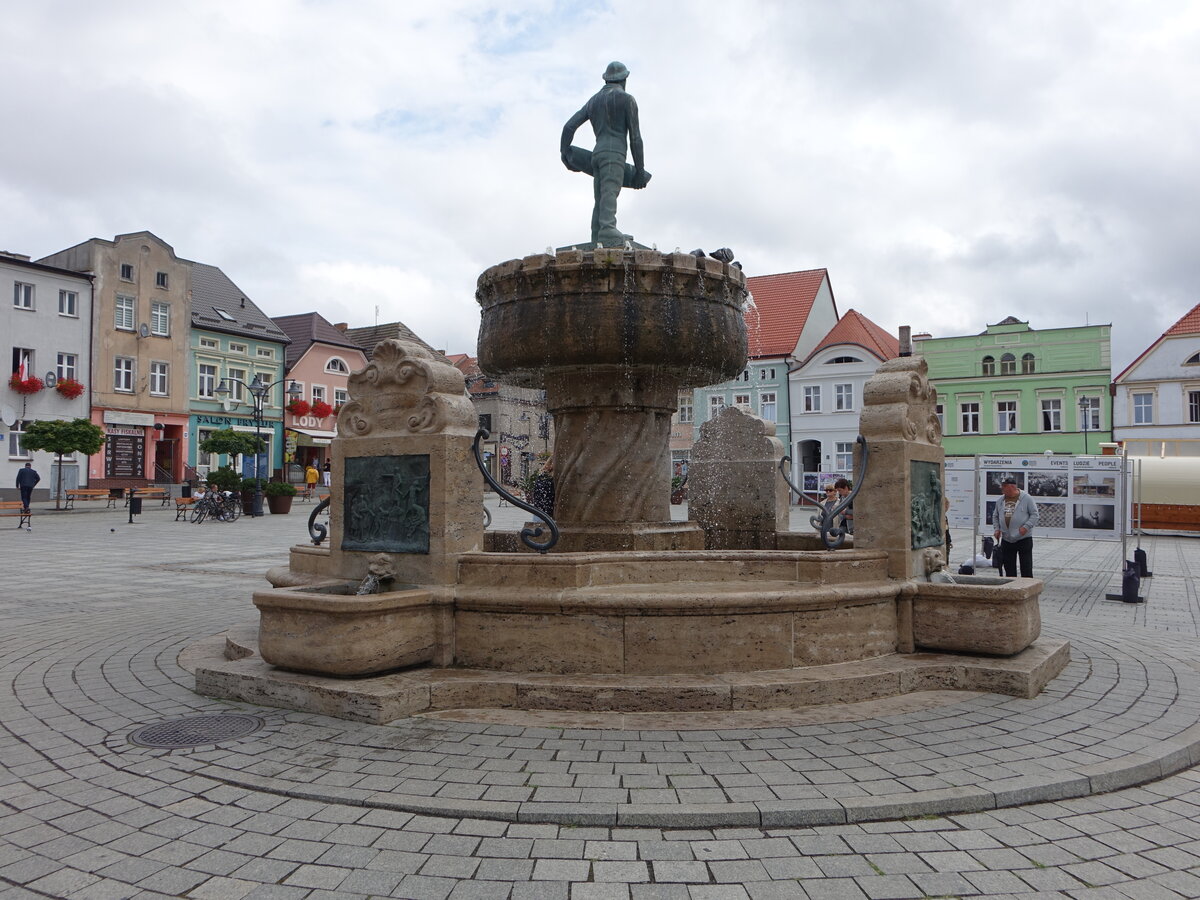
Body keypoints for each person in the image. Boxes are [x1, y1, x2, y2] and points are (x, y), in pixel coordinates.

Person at [561, 61, 650, 247]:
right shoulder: (627, 99)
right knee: (610, 191)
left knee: (600, 196)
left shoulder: (594, 101)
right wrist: (640, 171)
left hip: (597, 153)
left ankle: (598, 232)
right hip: (614, 154)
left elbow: (569, 126)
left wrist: (565, 152)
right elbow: (635, 138)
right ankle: (608, 230)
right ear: (624, 79)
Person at [993, 477, 1039, 577]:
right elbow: (995, 515)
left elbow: (1035, 515)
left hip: (1023, 538)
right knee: (1009, 568)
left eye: (1004, 486)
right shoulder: (1000, 500)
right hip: (1007, 539)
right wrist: (997, 529)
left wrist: (1026, 527)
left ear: (1012, 487)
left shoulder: (1026, 498)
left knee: (1026, 567)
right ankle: (1011, 589)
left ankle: (1026, 588)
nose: (1002, 489)